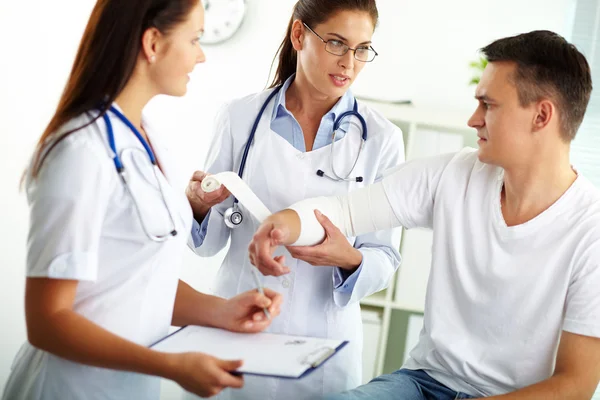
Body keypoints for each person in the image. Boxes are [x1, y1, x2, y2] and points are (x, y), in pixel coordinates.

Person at [248, 30, 600, 400]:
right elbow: (341, 211)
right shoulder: (454, 174)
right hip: (424, 383)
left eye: (488, 105)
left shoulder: (591, 231)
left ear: (541, 115)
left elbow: (574, 386)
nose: (473, 119)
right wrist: (282, 226)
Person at [2, 1, 282, 399]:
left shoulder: (149, 139)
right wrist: (170, 365)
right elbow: (48, 320)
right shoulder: (80, 151)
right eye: (194, 39)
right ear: (153, 42)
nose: (200, 55)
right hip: (71, 388)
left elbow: (140, 280)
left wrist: (221, 311)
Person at [184, 0, 405, 398]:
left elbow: (385, 256)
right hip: (240, 323)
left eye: (361, 49)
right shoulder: (239, 118)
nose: (349, 63)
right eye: (337, 43)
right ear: (299, 34)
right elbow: (209, 242)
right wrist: (200, 206)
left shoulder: (382, 139)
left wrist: (347, 257)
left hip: (322, 342)